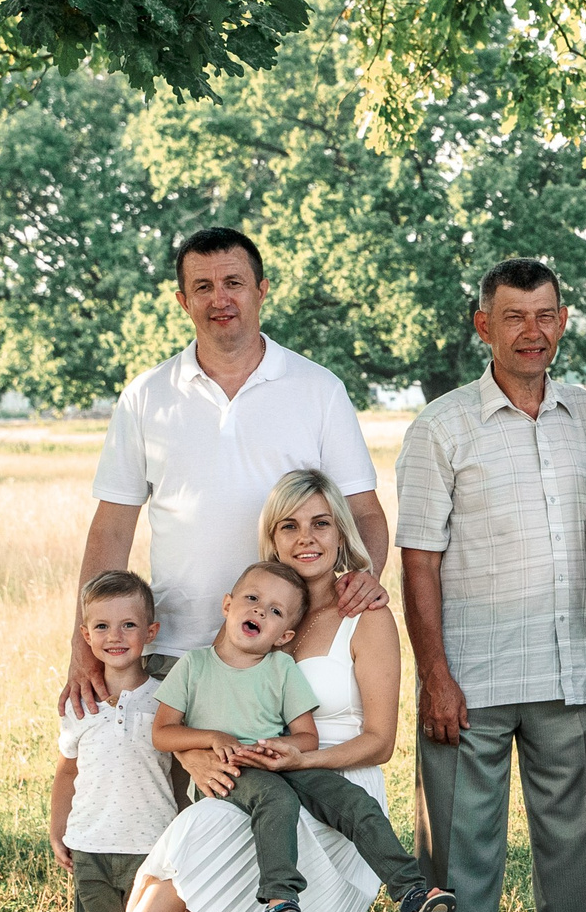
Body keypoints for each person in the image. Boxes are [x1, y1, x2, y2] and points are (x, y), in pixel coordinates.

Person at [2, 470, 420, 912]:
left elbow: (381, 741)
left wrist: (296, 757)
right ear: (272, 538)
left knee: (199, 849)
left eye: (320, 523)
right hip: (262, 787)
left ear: (341, 532)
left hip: (339, 794)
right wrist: (201, 756)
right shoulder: (266, 609)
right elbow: (219, 710)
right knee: (200, 840)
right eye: (289, 525)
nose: (305, 538)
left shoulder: (364, 613)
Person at [397, 258, 586, 912]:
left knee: (576, 855)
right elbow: (417, 562)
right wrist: (435, 678)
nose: (534, 332)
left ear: (563, 322)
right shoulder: (442, 427)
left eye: (547, 315)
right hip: (471, 683)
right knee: (462, 858)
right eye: (515, 317)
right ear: (482, 326)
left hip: (573, 675)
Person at [68, 226, 386, 710]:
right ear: (182, 301)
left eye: (233, 283)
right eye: (203, 287)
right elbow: (111, 528)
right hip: (172, 649)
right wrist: (81, 642)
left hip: (283, 648)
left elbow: (364, 513)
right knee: (168, 787)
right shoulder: (146, 396)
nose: (220, 299)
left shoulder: (318, 389)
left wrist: (367, 575)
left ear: (261, 290)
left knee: (272, 784)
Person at [154, 561, 452, 912]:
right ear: (227, 605)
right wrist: (212, 738)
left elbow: (306, 737)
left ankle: (411, 891)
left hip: (277, 762)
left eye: (275, 611)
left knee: (353, 801)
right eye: (252, 598)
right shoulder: (194, 666)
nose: (260, 610)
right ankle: (280, 904)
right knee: (276, 799)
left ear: (285, 635)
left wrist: (284, 749)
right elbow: (162, 733)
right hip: (230, 772)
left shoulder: (281, 668)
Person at [31, 571, 179, 912]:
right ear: (86, 635)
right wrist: (59, 826)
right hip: (92, 845)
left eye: (128, 624)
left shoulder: (167, 696)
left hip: (151, 847)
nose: (115, 636)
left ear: (151, 631)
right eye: (101, 626)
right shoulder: (79, 702)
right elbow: (67, 770)